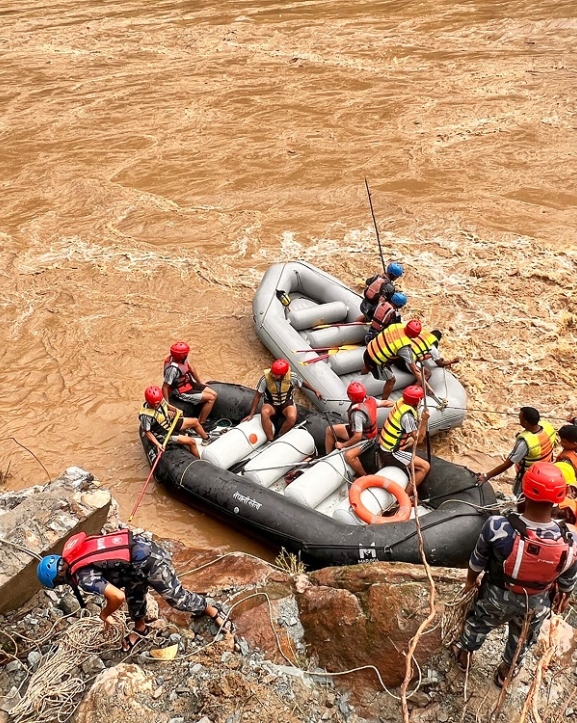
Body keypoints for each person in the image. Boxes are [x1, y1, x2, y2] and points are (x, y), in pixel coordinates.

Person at [451, 462, 577, 688]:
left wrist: (470, 583)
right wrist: (563, 597)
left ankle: (464, 657)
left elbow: (477, 561)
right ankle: (505, 674)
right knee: (523, 638)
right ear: (559, 498)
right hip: (536, 601)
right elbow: (567, 580)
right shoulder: (571, 538)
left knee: (479, 621)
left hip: (497, 595)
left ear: (523, 492)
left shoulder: (498, 525)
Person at [36, 529, 233, 651]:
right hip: (135, 560)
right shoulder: (75, 553)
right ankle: (141, 628)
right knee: (134, 595)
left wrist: (105, 615)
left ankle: (210, 609)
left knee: (176, 598)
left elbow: (116, 596)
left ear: (59, 582)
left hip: (150, 561)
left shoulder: (83, 577)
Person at [478, 407, 557, 496]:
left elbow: (507, 464)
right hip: (546, 474)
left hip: (528, 479)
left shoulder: (524, 443)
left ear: (526, 423)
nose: (519, 421)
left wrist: (486, 476)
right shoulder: (548, 427)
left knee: (519, 498)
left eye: (520, 419)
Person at [243, 359, 323, 442]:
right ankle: (270, 439)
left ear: (283, 374)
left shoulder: (292, 377)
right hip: (271, 403)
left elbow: (302, 383)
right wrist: (251, 414)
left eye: (276, 374)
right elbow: (257, 396)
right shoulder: (265, 379)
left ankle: (279, 436)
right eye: (272, 372)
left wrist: (315, 391)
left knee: (292, 417)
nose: (273, 375)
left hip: (286, 402)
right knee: (264, 412)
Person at [325, 381, 393, 478]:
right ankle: (327, 456)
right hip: (361, 430)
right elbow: (385, 403)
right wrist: (396, 404)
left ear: (350, 396)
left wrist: (343, 444)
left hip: (366, 439)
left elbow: (358, 436)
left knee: (349, 456)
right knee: (329, 430)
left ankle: (364, 476)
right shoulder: (371, 400)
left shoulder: (357, 414)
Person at [374, 385, 430, 495]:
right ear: (417, 401)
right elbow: (419, 440)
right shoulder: (407, 416)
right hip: (390, 452)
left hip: (386, 442)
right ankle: (406, 496)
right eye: (421, 399)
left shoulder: (401, 401)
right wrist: (424, 420)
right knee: (425, 467)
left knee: (410, 440)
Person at [139, 385, 208, 459]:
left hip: (169, 422)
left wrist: (175, 409)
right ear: (151, 403)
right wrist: (158, 445)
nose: (158, 404)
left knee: (195, 421)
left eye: (159, 402)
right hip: (164, 433)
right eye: (156, 404)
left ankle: (206, 439)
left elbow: (167, 405)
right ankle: (199, 462)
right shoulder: (146, 416)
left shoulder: (159, 400)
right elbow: (147, 432)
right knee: (192, 442)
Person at [361, 319, 423, 399]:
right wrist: (425, 384)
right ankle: (384, 400)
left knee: (367, 364)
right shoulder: (404, 347)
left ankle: (362, 376)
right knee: (391, 380)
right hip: (376, 361)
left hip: (369, 350)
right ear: (415, 336)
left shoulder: (396, 326)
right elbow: (415, 370)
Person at [162, 342, 218, 427]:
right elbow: (165, 387)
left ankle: (202, 416)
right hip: (181, 391)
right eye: (186, 353)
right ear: (181, 355)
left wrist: (200, 383)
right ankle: (201, 423)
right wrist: (167, 405)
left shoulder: (182, 359)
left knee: (214, 394)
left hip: (189, 383)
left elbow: (191, 369)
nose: (187, 354)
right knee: (211, 398)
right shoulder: (172, 369)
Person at [555, 424, 577, 497]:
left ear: (574, 444)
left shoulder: (567, 462)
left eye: (564, 442)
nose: (561, 443)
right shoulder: (572, 449)